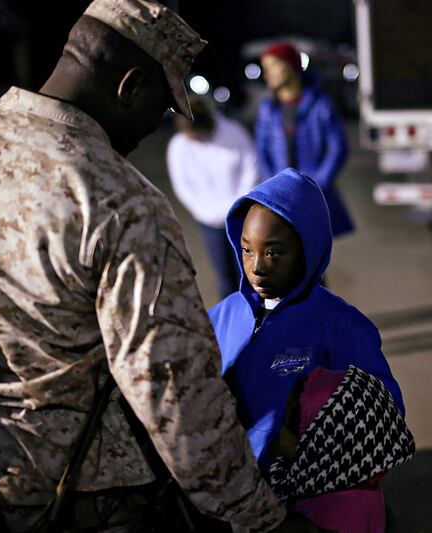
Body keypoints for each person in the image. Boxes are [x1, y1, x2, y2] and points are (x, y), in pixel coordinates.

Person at [0, 1, 319, 531]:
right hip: (68, 499)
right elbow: (173, 393)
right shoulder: (119, 200)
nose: (153, 127)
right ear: (130, 85)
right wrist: (261, 517)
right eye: (161, 107)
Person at [208, 167, 405, 473]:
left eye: (274, 252)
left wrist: (306, 453)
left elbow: (382, 413)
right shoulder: (223, 315)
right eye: (247, 249)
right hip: (229, 486)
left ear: (308, 250)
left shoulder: (341, 326)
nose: (257, 266)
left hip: (300, 494)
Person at [267, 366, 414, 533]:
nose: (279, 432)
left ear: (316, 446)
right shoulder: (349, 481)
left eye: (286, 426)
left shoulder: (326, 509)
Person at [255, 42, 353, 243]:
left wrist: (318, 186)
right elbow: (262, 151)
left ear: (290, 65)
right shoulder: (268, 108)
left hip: (315, 195)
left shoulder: (320, 103)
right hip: (281, 198)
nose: (267, 74)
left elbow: (338, 147)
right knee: (287, 261)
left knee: (314, 260)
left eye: (272, 66)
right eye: (265, 68)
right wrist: (274, 187)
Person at [167, 94, 260, 300]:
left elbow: (251, 169)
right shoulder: (179, 146)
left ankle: (258, 323)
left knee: (250, 274)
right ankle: (232, 325)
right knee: (224, 277)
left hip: (241, 218)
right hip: (209, 223)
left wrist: (236, 206)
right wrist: (208, 213)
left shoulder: (233, 133)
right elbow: (183, 188)